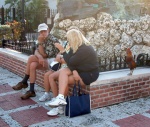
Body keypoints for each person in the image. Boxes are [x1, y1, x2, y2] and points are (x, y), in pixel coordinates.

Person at [46, 29, 99, 116]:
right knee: (56, 75)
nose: (68, 41)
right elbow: (71, 62)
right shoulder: (75, 46)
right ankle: (59, 99)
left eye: (69, 39)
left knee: (63, 79)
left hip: (89, 73)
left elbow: (70, 62)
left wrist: (63, 51)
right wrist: (74, 71)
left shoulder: (85, 48)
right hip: (79, 69)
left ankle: (60, 107)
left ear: (73, 38)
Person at [12, 23, 59, 100]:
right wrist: (39, 56)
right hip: (45, 61)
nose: (43, 33)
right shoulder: (41, 38)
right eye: (41, 32)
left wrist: (40, 46)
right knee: (33, 65)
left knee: (31, 58)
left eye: (44, 31)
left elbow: (45, 55)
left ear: (48, 30)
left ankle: (24, 81)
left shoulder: (52, 40)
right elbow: (36, 51)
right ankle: (31, 90)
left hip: (52, 62)